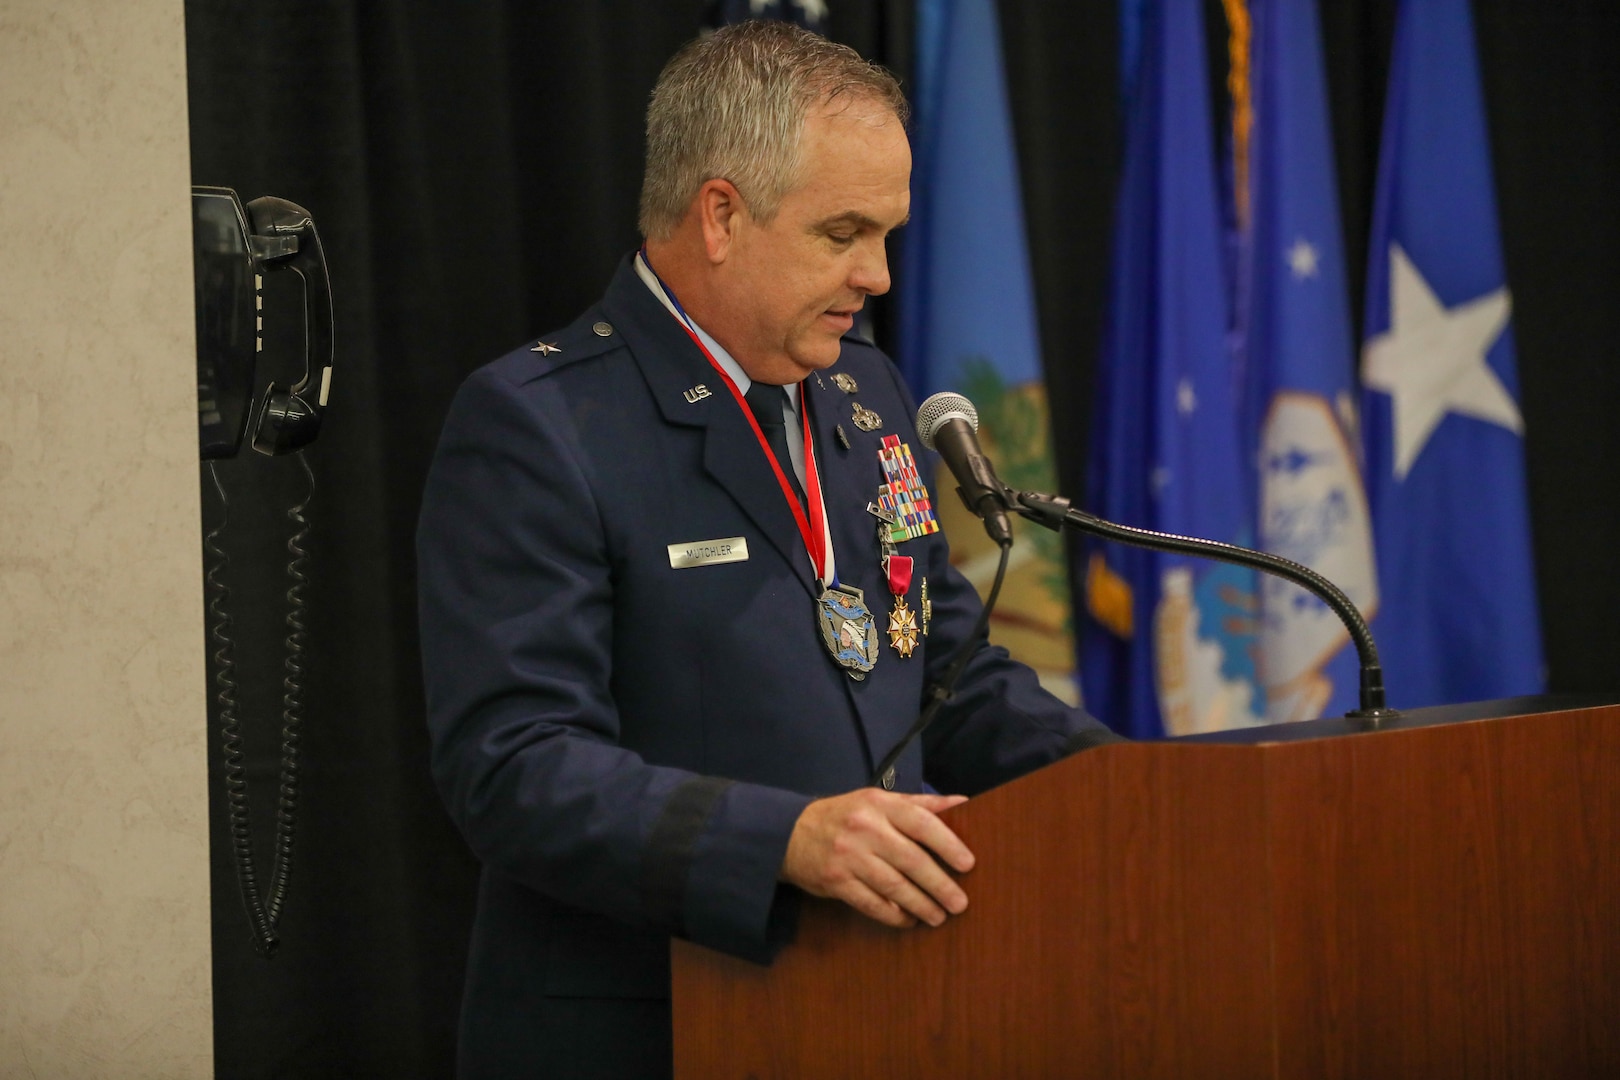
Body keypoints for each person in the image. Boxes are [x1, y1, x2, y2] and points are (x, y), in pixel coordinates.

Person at [416, 20, 1121, 1078]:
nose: (879, 275)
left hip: (879, 1010)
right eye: (843, 233)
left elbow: (946, 677)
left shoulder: (866, 391)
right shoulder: (540, 422)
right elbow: (512, 768)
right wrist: (786, 839)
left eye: (888, 234)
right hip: (651, 1027)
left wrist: (1134, 791)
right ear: (720, 215)